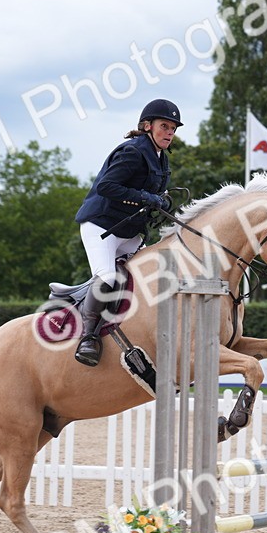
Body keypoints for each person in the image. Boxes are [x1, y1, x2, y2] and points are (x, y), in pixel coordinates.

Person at [71, 99, 181, 367]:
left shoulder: (161, 158)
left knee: (146, 276)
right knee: (108, 276)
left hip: (128, 230)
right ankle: (87, 338)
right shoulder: (132, 152)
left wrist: (162, 201)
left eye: (173, 128)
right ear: (147, 126)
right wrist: (145, 197)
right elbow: (108, 186)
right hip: (101, 227)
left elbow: (151, 196)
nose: (169, 132)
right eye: (164, 126)